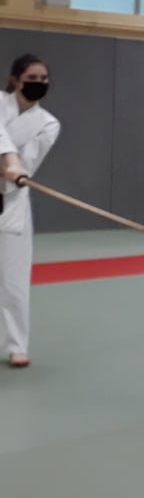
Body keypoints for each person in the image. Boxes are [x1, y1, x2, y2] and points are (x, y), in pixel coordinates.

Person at [0, 55, 59, 369]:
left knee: (14, 280)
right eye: (32, 78)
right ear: (15, 80)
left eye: (43, 79)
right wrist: (9, 159)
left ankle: (16, 345)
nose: (39, 84)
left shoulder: (48, 123)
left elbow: (27, 165)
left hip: (11, 201)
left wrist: (13, 168)